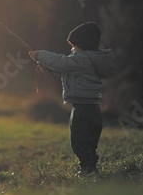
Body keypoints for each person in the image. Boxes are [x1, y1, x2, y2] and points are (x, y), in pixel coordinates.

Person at [28, 22, 115, 176]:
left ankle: (88, 169)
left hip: (81, 109)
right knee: (89, 142)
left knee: (79, 142)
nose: (72, 50)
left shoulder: (82, 59)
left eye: (74, 47)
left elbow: (62, 63)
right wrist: (48, 69)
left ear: (83, 45)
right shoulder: (89, 60)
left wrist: (40, 54)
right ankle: (91, 167)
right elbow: (68, 73)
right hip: (94, 109)